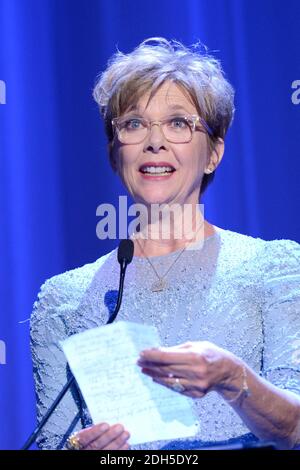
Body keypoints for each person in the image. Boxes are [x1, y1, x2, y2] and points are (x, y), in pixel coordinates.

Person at [30, 37, 300, 451]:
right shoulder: (64, 299)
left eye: (178, 123)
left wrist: (232, 377)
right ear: (115, 153)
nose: (155, 141)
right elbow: (51, 442)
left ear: (213, 153)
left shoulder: (275, 269)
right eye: (134, 124)